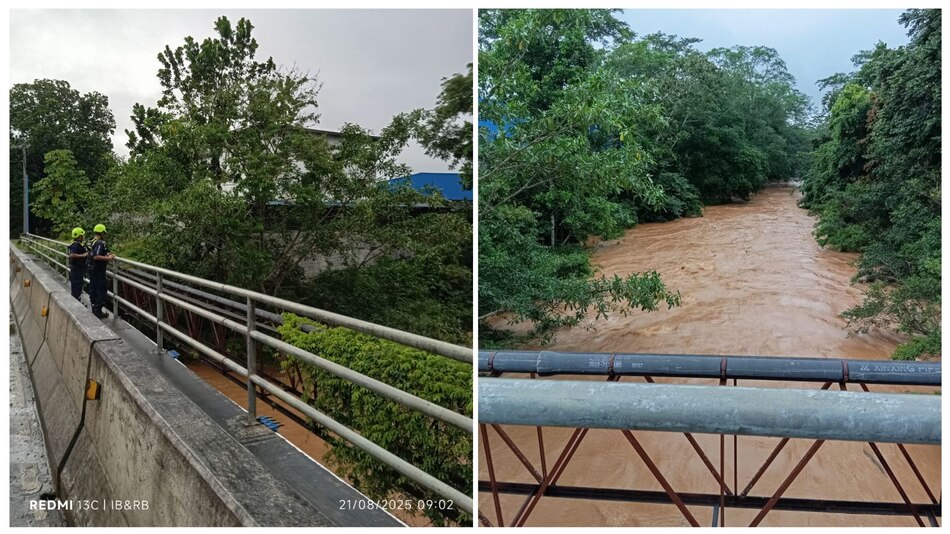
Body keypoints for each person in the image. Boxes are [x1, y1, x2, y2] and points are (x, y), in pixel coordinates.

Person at [89, 223, 115, 319]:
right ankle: (98, 309)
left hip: (92, 269)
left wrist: (108, 254)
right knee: (101, 289)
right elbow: (96, 256)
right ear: (102, 233)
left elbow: (97, 253)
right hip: (98, 270)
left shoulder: (92, 241)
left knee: (93, 287)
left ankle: (94, 306)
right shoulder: (100, 243)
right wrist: (108, 258)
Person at [66, 227, 89, 301]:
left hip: (78, 268)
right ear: (79, 236)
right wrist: (83, 255)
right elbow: (72, 255)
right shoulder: (75, 245)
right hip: (77, 268)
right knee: (76, 286)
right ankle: (75, 300)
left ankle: (76, 298)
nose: (84, 237)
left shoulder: (76, 244)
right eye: (83, 235)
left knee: (77, 285)